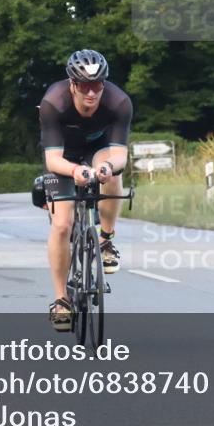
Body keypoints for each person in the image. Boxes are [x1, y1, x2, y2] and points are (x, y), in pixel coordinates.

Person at [39, 49, 132, 331]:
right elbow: (53, 160)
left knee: (112, 174)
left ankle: (105, 240)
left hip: (98, 149)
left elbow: (119, 155)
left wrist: (105, 169)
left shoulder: (119, 103)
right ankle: (61, 300)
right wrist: (76, 171)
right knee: (62, 225)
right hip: (63, 155)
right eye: (84, 86)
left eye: (97, 86)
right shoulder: (53, 102)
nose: (91, 93)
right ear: (72, 84)